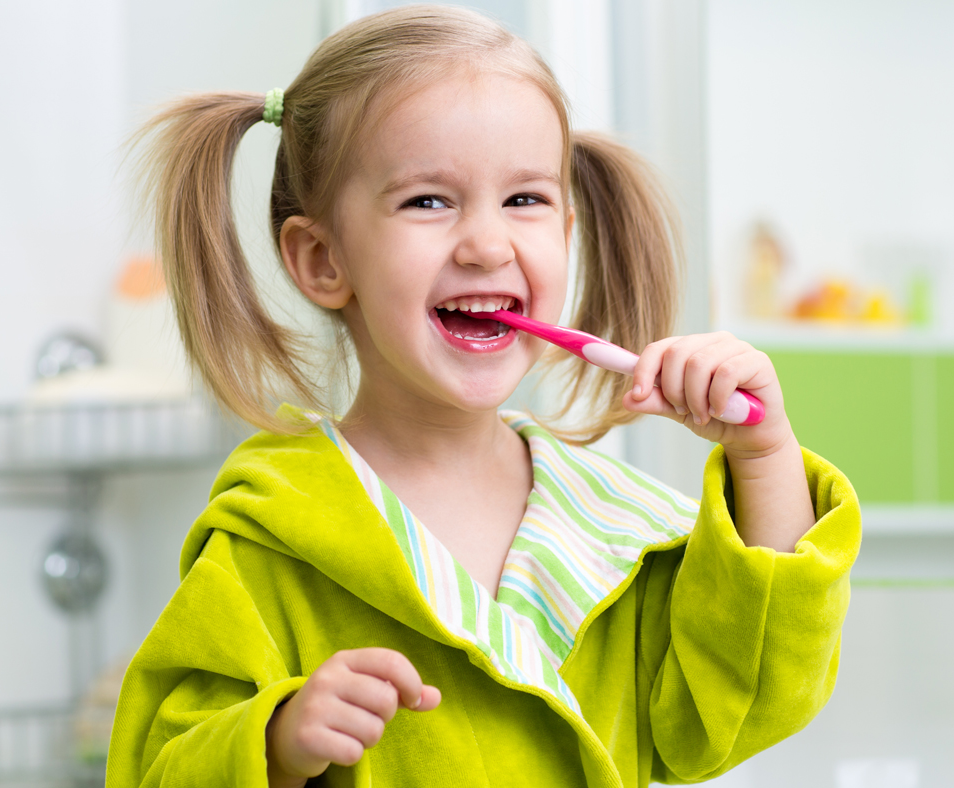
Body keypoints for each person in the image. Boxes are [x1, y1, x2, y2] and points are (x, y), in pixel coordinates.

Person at [107, 6, 859, 787]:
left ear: (567, 232)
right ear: (323, 259)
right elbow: (157, 768)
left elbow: (749, 699)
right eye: (428, 201)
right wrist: (274, 741)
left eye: (525, 200)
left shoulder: (614, 527)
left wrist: (764, 451)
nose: (488, 244)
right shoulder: (268, 538)